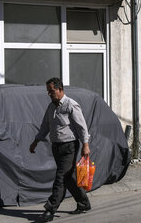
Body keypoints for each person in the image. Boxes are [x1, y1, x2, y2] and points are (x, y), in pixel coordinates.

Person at [29, 77, 91, 222]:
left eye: (52, 91)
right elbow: (45, 126)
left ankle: (50, 210)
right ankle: (83, 203)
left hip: (69, 147)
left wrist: (86, 146)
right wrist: (35, 142)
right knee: (68, 178)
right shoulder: (51, 107)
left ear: (60, 89)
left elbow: (82, 127)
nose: (49, 94)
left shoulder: (71, 105)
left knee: (61, 178)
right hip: (56, 147)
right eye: (48, 92)